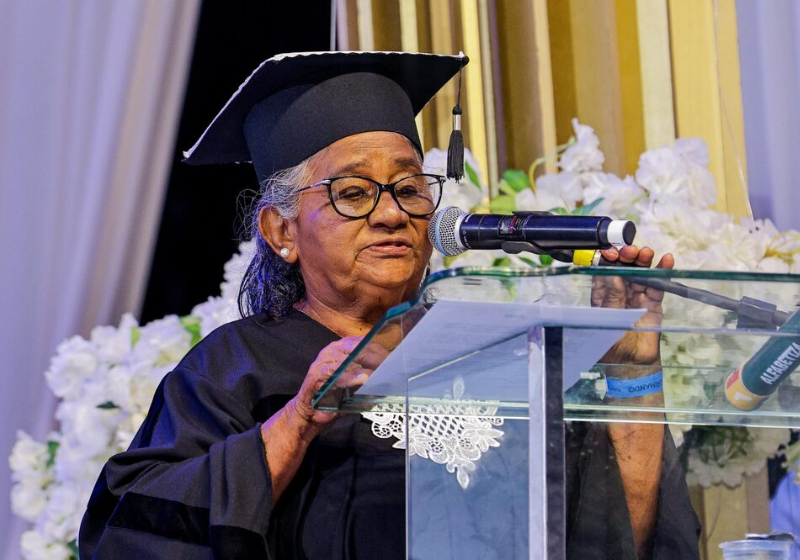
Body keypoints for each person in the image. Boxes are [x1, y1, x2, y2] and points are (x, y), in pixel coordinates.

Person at [79, 51, 700, 559]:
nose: (391, 212)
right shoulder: (234, 368)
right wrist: (296, 421)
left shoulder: (495, 353)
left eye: (408, 187)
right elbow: (126, 536)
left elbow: (621, 543)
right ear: (281, 233)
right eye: (353, 193)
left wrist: (633, 370)